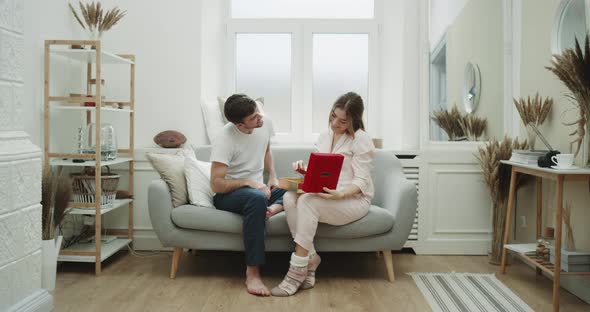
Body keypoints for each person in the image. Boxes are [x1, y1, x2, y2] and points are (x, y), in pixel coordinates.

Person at [271, 92, 375, 297]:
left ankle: (297, 269)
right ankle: (311, 258)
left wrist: (341, 194)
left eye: (343, 121)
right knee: (289, 197)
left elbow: (361, 180)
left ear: (354, 120)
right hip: (326, 194)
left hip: (353, 199)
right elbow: (323, 171)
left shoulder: (361, 140)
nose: (335, 123)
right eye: (333, 116)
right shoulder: (324, 136)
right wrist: (305, 171)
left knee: (308, 201)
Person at [210, 94, 286, 296]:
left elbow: (266, 149)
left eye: (257, 113)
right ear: (239, 125)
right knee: (257, 198)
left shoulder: (264, 122)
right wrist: (248, 182)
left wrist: (273, 177)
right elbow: (216, 184)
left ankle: (274, 207)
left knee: (297, 189)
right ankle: (252, 272)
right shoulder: (224, 139)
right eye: (253, 118)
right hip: (230, 194)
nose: (259, 119)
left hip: (259, 189)